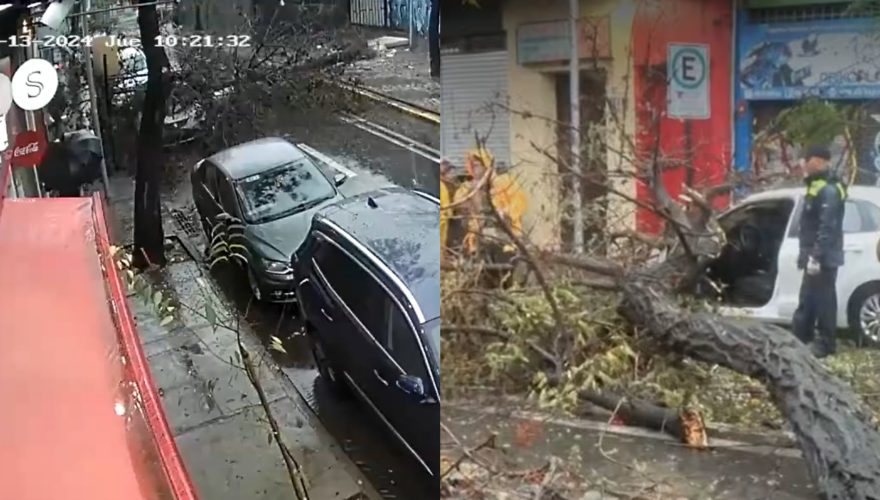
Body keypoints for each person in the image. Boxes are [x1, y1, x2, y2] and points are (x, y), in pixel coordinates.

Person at [792, 144, 847, 358]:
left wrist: (816, 256)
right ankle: (800, 340)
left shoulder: (830, 190)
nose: (806, 163)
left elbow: (827, 227)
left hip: (823, 258)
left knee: (824, 302)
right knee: (807, 299)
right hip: (813, 255)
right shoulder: (816, 186)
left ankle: (826, 344)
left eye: (810, 159)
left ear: (822, 161)